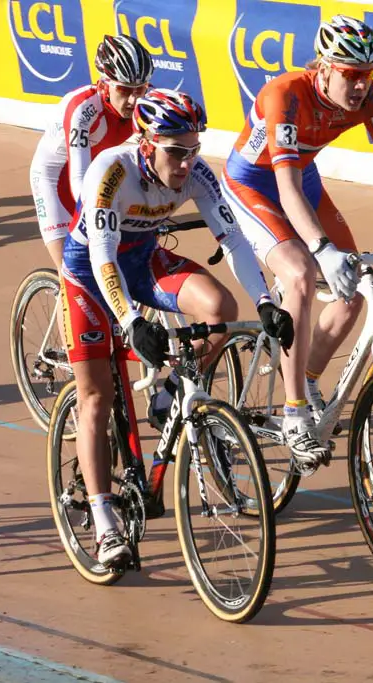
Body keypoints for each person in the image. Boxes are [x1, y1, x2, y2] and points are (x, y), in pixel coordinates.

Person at [59, 89, 294, 568]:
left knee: (218, 307)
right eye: (176, 151)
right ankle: (106, 525)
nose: (187, 163)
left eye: (194, 149)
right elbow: (102, 258)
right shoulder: (111, 171)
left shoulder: (199, 175)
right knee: (97, 396)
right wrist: (129, 321)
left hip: (144, 260)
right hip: (89, 274)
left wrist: (266, 301)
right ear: (146, 143)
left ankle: (170, 389)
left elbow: (232, 237)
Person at [220, 15, 373, 469]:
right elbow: (284, 188)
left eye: (368, 74)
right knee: (301, 274)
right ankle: (294, 413)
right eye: (351, 75)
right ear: (323, 67)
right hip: (254, 184)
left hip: (304, 179)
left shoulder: (371, 97)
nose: (361, 85)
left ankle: (305, 375)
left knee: (354, 292)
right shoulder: (284, 95)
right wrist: (322, 248)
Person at [30, 34, 153, 269]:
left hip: (95, 171)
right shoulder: (82, 109)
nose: (134, 100)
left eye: (141, 89)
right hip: (54, 178)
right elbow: (79, 177)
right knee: (71, 271)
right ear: (105, 85)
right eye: (125, 90)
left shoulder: (147, 104)